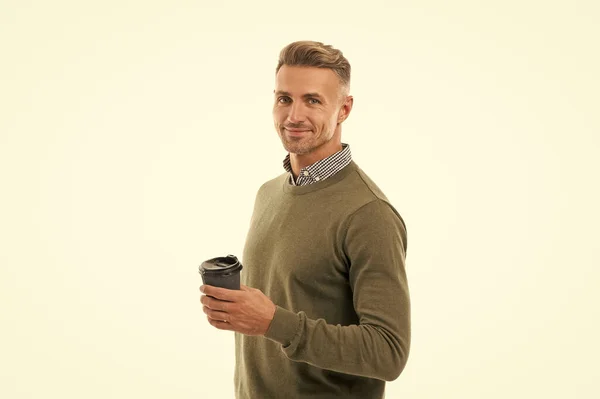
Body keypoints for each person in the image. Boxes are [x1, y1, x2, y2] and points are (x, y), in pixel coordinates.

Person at [200, 40, 410, 399]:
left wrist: (272, 322)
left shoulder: (369, 213)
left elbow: (388, 353)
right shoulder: (269, 192)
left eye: (312, 100)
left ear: (344, 109)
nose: (293, 116)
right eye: (284, 99)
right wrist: (237, 312)